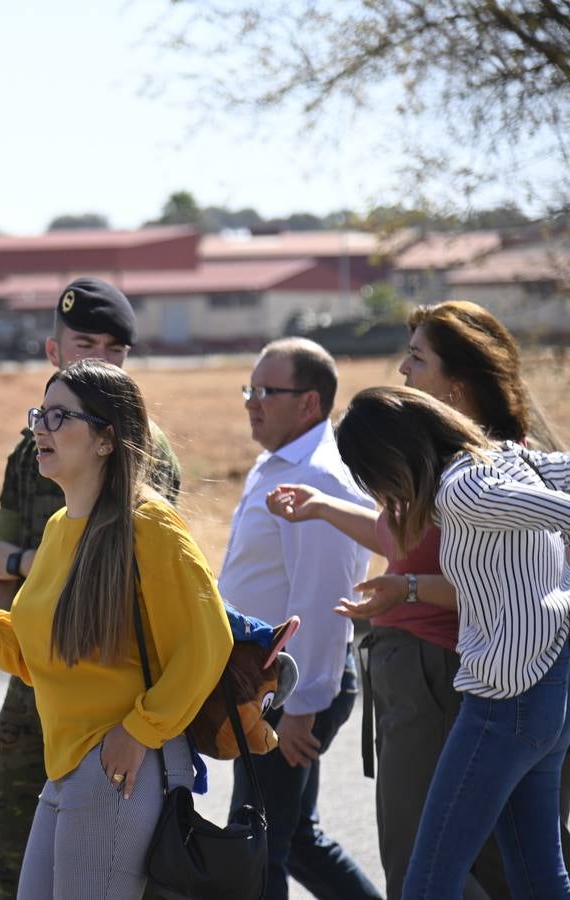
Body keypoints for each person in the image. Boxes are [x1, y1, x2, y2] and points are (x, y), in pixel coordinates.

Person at [0, 359, 232, 899]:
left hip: (117, 767)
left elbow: (209, 643)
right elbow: (38, 656)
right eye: (39, 413)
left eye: (59, 416)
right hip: (68, 769)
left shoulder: (150, 526)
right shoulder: (59, 527)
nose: (40, 428)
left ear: (106, 440)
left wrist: (138, 732)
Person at [265, 300, 562, 900]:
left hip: (472, 686)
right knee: (529, 872)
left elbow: (520, 562)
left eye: (417, 358)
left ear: (457, 381)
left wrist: (404, 589)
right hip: (499, 689)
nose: (404, 370)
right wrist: (325, 509)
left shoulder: (471, 481)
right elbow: (409, 540)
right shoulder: (482, 464)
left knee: (427, 876)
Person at [0, 276, 182, 899]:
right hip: (34, 690)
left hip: (110, 708)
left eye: (116, 351)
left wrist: (21, 558)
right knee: (13, 862)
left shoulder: (140, 452)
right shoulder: (34, 448)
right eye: (86, 344)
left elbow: (120, 570)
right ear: (53, 352)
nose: (101, 361)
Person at [334, 386, 570, 899]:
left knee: (427, 879)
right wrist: (408, 588)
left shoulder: (458, 489)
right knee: (536, 877)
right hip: (547, 693)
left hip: (503, 703)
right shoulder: (504, 457)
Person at [220, 337, 383, 900]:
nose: (252, 402)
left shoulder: (320, 477)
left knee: (257, 844)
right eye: (251, 388)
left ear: (309, 404)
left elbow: (322, 602)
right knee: (294, 838)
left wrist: (301, 711)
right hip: (273, 682)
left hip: (293, 690)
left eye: (267, 391)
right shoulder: (279, 462)